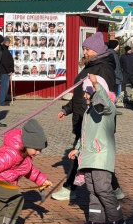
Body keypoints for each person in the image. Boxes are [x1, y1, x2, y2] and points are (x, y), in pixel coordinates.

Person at [53, 31, 123, 201]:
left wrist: (94, 117)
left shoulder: (103, 69)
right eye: (84, 49)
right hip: (84, 118)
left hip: (95, 121)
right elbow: (80, 93)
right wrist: (66, 109)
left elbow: (104, 97)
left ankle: (69, 188)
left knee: (82, 154)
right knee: (96, 158)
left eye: (87, 49)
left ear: (96, 51)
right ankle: (115, 188)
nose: (84, 52)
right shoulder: (90, 66)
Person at [69, 75, 125, 224]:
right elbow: (85, 134)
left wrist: (96, 85)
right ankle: (96, 219)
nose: (85, 95)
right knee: (92, 189)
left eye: (87, 92)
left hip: (100, 156)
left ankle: (117, 218)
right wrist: (78, 148)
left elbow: (104, 103)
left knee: (103, 188)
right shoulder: (89, 111)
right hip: (88, 156)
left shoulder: (107, 108)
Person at [0, 37, 14, 106]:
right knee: (4, 87)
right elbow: (4, 62)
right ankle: (2, 102)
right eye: (9, 42)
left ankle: (3, 100)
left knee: (5, 87)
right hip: (4, 72)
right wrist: (9, 71)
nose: (9, 43)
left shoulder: (4, 49)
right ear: (6, 42)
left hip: (5, 71)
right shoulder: (4, 50)